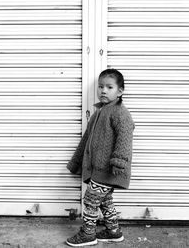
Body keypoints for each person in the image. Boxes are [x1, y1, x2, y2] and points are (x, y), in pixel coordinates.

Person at [66, 69, 135, 247]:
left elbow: (125, 138)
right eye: (100, 87)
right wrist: (76, 162)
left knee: (90, 200)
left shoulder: (120, 113)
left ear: (120, 91)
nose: (103, 90)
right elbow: (86, 140)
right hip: (98, 169)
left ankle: (88, 234)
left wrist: (119, 161)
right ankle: (113, 232)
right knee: (104, 201)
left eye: (109, 87)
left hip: (109, 169)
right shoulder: (99, 113)